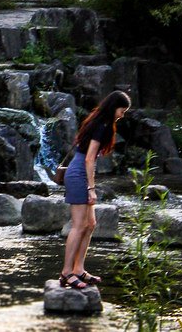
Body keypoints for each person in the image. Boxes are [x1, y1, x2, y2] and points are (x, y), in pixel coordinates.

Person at [60, 90, 131, 289]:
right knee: (79, 226)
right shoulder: (102, 126)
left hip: (81, 172)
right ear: (113, 107)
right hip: (78, 174)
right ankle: (67, 272)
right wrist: (91, 188)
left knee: (90, 224)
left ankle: (79, 269)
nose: (122, 115)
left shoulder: (101, 122)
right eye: (122, 110)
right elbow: (90, 158)